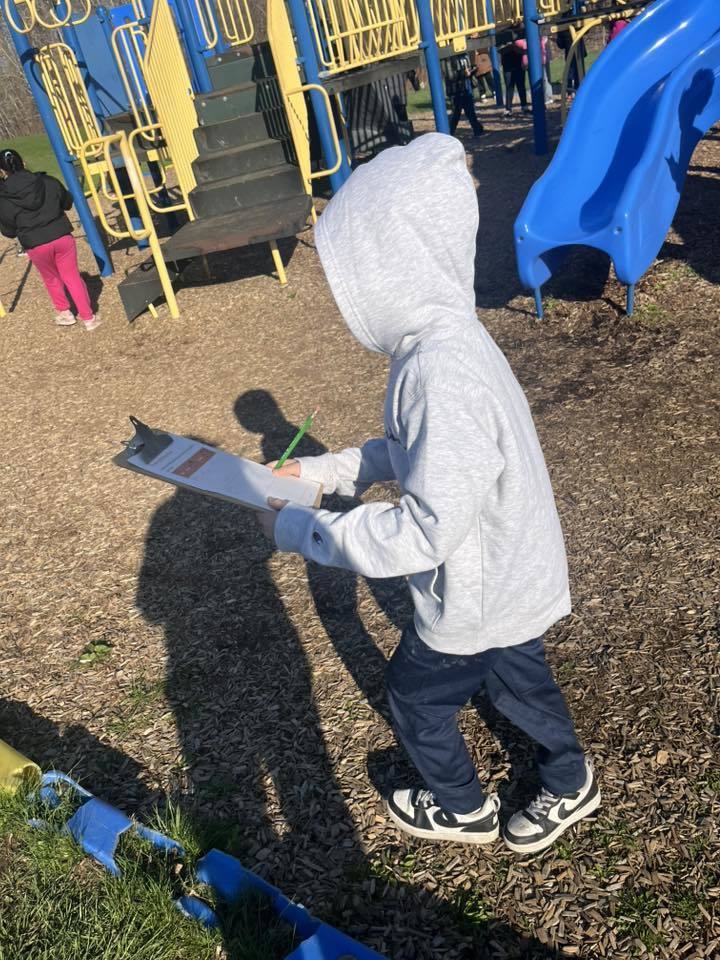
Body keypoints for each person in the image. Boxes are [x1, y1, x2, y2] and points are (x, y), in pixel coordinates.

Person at [259, 134, 600, 855]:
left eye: (351, 272)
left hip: (475, 587)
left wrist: (306, 532)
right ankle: (570, 779)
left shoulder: (435, 373)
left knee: (416, 701)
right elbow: (412, 456)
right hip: (511, 567)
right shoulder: (449, 340)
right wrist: (325, 473)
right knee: (518, 683)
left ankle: (462, 808)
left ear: (392, 263)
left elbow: (425, 532)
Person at [0, 149, 98, 330]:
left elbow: (9, 231)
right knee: (72, 276)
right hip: (61, 235)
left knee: (51, 278)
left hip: (35, 244)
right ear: (24, 163)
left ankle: (65, 313)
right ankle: (88, 318)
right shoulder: (47, 181)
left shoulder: (4, 197)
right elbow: (67, 202)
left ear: (3, 171)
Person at [443, 53, 484, 138]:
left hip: (466, 87)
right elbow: (449, 75)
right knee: (456, 114)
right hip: (455, 90)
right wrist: (463, 73)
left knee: (470, 111)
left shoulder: (464, 54)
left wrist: (472, 70)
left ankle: (477, 129)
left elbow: (468, 68)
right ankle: (449, 133)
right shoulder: (447, 58)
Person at [500, 33, 529, 118]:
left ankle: (524, 106)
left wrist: (514, 46)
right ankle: (508, 109)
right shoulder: (502, 35)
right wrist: (510, 47)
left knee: (521, 86)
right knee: (509, 87)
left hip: (517, 64)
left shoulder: (519, 33)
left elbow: (523, 50)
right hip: (507, 66)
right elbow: (500, 50)